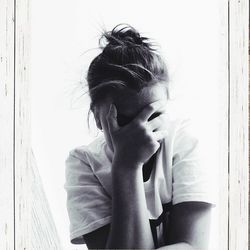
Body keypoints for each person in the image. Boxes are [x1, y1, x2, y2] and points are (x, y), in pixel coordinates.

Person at [64, 24, 216, 249]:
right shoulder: (84, 164)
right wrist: (127, 166)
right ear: (97, 116)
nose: (142, 132)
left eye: (153, 115)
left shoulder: (183, 142)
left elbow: (193, 246)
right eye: (125, 121)